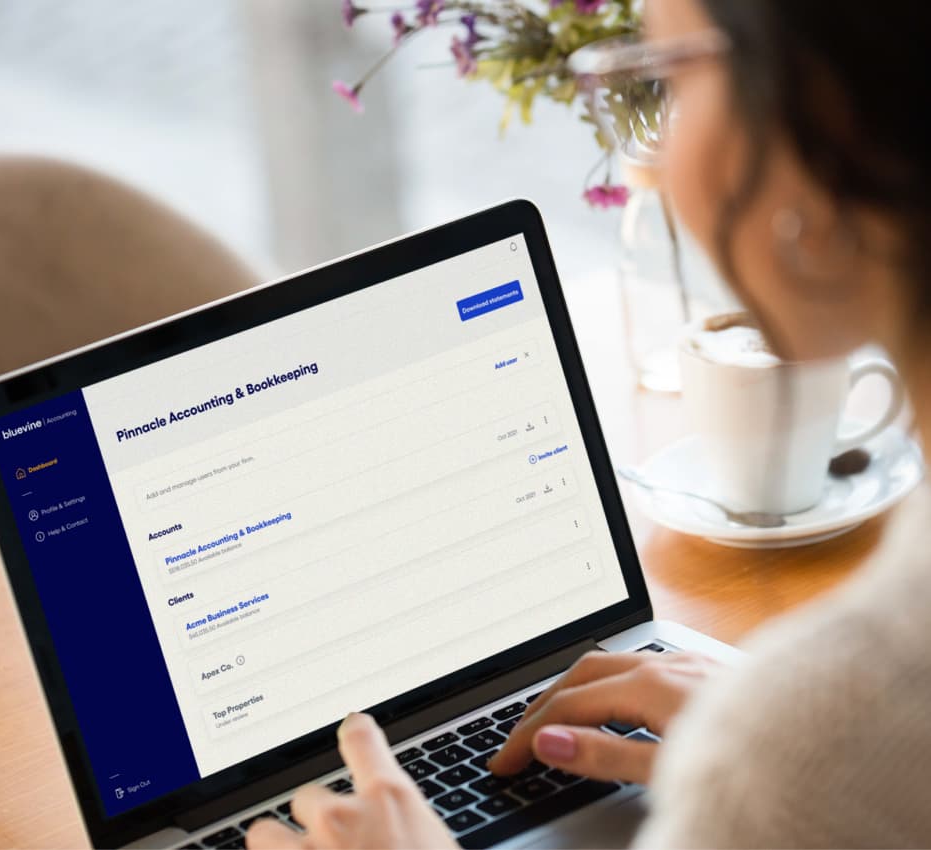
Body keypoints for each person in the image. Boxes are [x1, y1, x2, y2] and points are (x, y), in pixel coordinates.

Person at [247, 0, 931, 846]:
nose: (656, 153)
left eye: (668, 77)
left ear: (823, 125)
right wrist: (768, 720)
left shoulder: (800, 767)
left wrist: (776, 745)